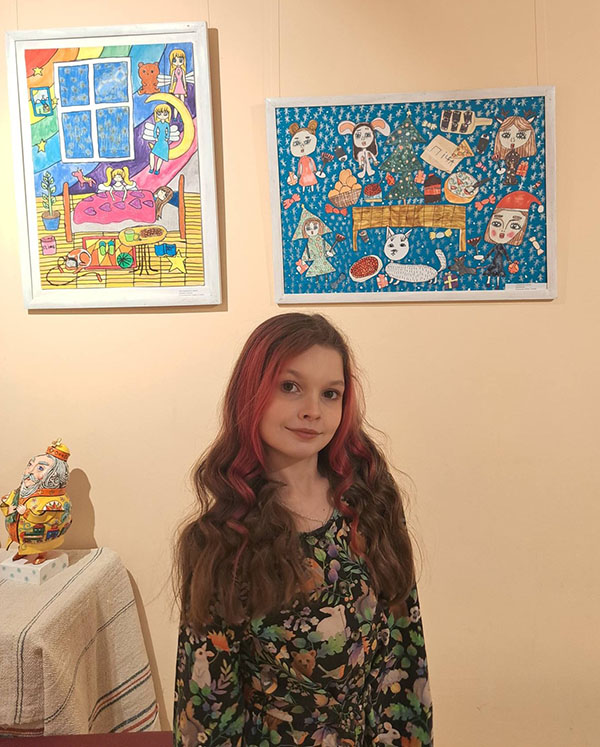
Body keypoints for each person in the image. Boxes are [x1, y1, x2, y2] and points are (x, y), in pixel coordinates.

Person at [173, 313, 433, 746]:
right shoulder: (221, 537)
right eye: (290, 387)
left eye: (330, 394)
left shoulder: (370, 500)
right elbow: (208, 708)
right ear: (251, 392)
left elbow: (405, 656)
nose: (313, 410)